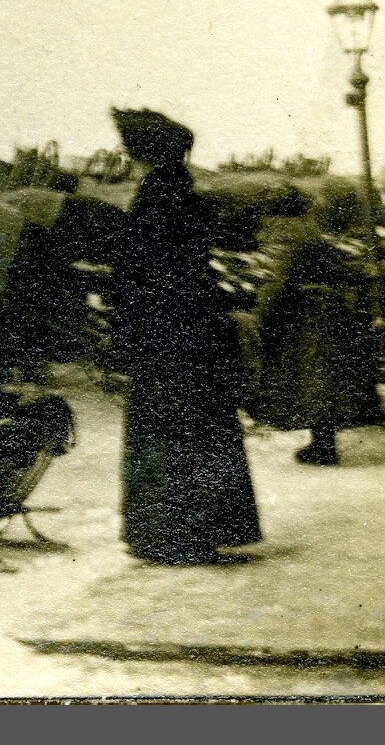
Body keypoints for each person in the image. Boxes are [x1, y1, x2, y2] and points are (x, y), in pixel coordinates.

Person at [110, 107, 262, 566]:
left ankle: (170, 535)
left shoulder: (153, 197)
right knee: (204, 427)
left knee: (166, 429)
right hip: (197, 330)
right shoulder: (185, 192)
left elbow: (140, 273)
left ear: (143, 152)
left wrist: (125, 332)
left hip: (165, 335)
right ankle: (207, 528)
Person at [247, 182, 383, 466]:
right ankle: (323, 442)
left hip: (306, 315)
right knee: (324, 380)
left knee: (312, 380)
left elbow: (280, 282)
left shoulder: (284, 237)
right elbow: (335, 268)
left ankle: (323, 446)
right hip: (329, 311)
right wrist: (363, 272)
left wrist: (264, 315)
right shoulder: (309, 233)